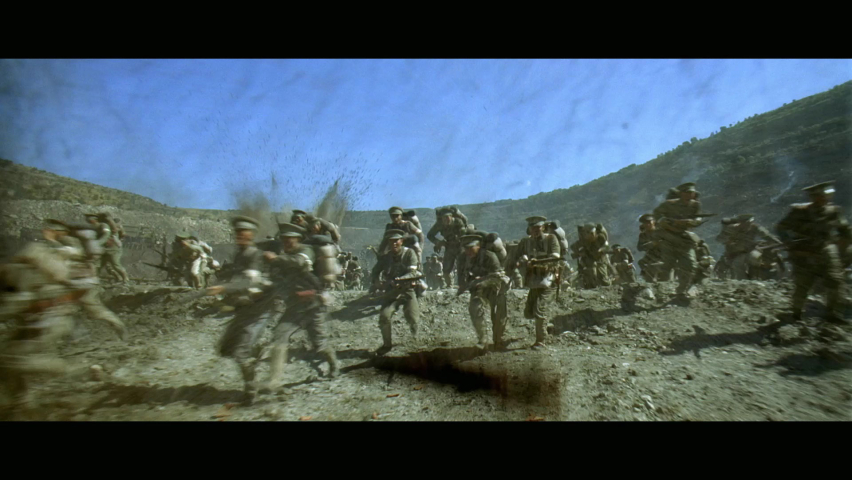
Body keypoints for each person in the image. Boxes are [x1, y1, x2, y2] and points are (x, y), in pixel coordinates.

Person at [0, 220, 97, 408]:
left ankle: (79, 371)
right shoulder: (27, 261)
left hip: (49, 320)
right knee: (7, 356)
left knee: (11, 360)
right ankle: (20, 400)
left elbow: (16, 302)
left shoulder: (21, 268)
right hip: (38, 319)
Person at [776, 181, 850, 325]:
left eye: (827, 194)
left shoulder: (834, 211)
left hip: (828, 251)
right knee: (803, 285)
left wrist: (843, 248)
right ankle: (796, 314)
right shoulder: (799, 211)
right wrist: (790, 243)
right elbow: (781, 227)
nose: (824, 198)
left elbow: (845, 230)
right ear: (814, 197)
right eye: (820, 195)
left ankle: (832, 314)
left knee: (835, 282)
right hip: (804, 253)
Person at [505, 216, 560, 348]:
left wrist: (537, 262)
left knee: (539, 308)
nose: (535, 230)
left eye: (538, 227)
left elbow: (555, 257)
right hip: (534, 280)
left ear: (543, 227)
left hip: (548, 278)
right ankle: (548, 326)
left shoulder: (551, 239)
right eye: (532, 227)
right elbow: (515, 256)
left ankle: (541, 341)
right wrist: (519, 262)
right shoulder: (526, 242)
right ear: (529, 229)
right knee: (529, 312)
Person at [652, 182, 710, 298]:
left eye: (692, 193)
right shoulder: (669, 204)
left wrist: (691, 222)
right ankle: (660, 291)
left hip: (684, 237)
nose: (690, 195)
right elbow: (656, 214)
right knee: (667, 264)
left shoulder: (695, 205)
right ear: (681, 194)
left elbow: (698, 218)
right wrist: (666, 222)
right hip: (668, 236)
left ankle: (681, 291)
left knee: (690, 264)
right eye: (687, 193)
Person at [370, 229, 422, 355]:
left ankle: (415, 338)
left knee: (413, 318)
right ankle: (387, 345)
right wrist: (376, 282)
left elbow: (413, 272)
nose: (394, 243)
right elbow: (375, 271)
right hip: (391, 293)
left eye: (396, 241)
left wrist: (400, 279)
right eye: (391, 241)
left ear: (401, 241)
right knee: (384, 316)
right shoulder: (385, 258)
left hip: (407, 290)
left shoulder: (409, 253)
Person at [456, 234, 510, 350]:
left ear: (478, 246)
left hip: (495, 286)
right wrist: (463, 286)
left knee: (498, 314)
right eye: (465, 248)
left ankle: (498, 340)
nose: (468, 251)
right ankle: (483, 340)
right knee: (474, 309)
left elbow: (497, 276)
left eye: (471, 248)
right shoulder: (462, 258)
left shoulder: (489, 256)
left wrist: (481, 282)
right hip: (478, 288)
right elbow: (461, 275)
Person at [716, 214, 782, 279]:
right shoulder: (731, 228)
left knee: (754, 258)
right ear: (740, 222)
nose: (747, 225)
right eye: (744, 223)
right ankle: (743, 281)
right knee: (737, 264)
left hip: (750, 250)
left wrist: (778, 242)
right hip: (736, 252)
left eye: (749, 223)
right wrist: (728, 241)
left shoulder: (755, 227)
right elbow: (719, 238)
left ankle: (757, 276)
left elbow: (767, 236)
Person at [427, 207, 467, 288]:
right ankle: (449, 285)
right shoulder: (439, 224)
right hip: (449, 246)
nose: (446, 220)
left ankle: (464, 285)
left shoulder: (458, 222)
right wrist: (439, 242)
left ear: (451, 217)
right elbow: (430, 235)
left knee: (462, 266)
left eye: (447, 217)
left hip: (460, 245)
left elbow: (463, 234)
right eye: (443, 218)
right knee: (446, 267)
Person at [570, 223, 612, 288]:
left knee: (604, 280)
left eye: (592, 234)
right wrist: (580, 253)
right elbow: (573, 247)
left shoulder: (601, 237)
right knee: (590, 273)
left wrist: (601, 249)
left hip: (600, 258)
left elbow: (607, 247)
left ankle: (609, 284)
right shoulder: (584, 240)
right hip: (590, 258)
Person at [637, 214, 669, 282]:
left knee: (653, 266)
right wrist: (651, 244)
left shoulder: (661, 232)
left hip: (664, 255)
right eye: (645, 223)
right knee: (642, 263)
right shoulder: (643, 235)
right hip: (651, 255)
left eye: (649, 222)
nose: (647, 224)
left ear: (654, 222)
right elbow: (639, 248)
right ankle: (650, 279)